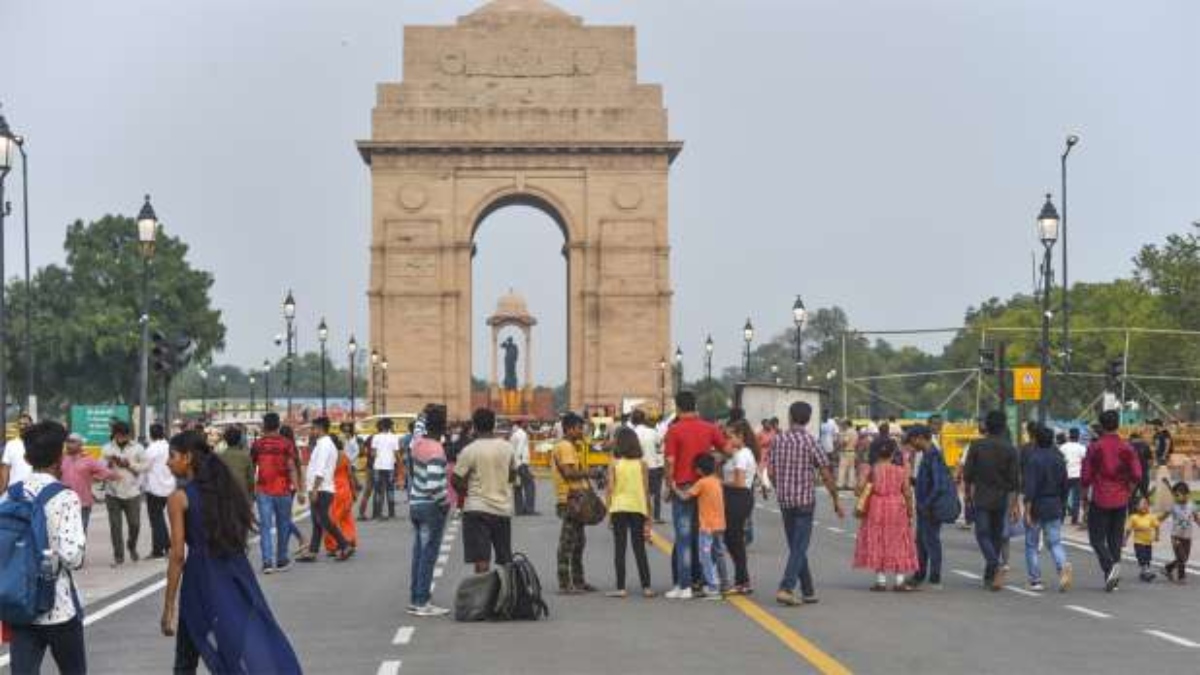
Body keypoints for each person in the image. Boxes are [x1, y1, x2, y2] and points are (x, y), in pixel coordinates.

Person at [160, 430, 301, 674]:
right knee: (244, 640)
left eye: (172, 456)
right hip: (236, 574)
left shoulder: (179, 498)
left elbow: (177, 555)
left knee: (186, 659)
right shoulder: (225, 491)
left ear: (188, 458)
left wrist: (169, 606)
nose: (167, 462)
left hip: (200, 580)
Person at [5, 421, 87, 675]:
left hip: (19, 602)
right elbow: (73, 557)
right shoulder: (65, 497)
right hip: (57, 606)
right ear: (59, 458)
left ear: (28, 458)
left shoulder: (12, 494)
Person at [768, 401, 844, 606]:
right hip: (804, 501)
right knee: (799, 546)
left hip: (785, 501)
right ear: (809, 420)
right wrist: (836, 499)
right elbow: (826, 473)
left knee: (796, 546)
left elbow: (771, 472)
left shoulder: (778, 440)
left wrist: (780, 487)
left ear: (790, 417)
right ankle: (786, 587)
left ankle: (808, 590)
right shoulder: (811, 442)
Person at [663, 391, 727, 600]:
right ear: (695, 405)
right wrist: (714, 463)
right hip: (705, 488)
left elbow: (670, 461)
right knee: (702, 538)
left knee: (683, 539)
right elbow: (727, 449)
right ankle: (702, 580)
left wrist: (668, 486)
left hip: (683, 487)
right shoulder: (710, 428)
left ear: (679, 408)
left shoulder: (674, 430)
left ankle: (685, 584)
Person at [1081, 410, 1142, 592]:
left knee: (1096, 538)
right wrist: (1128, 491)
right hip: (1121, 497)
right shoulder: (1127, 447)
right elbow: (1137, 474)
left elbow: (1086, 476)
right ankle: (1112, 578)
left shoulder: (1095, 447)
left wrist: (1084, 494)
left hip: (1101, 496)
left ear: (1101, 425)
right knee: (1115, 539)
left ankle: (1109, 567)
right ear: (1118, 424)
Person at [452, 408, 517, 573]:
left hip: (477, 509)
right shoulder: (507, 447)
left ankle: (483, 596)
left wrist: (468, 493)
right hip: (502, 509)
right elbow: (513, 475)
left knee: (481, 560)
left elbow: (455, 479)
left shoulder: (470, 450)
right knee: (505, 558)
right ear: (494, 424)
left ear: (474, 426)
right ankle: (508, 594)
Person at [963, 410, 1019, 591]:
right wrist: (1013, 504)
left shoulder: (977, 445)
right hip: (1001, 497)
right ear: (1003, 426)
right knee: (996, 535)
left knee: (982, 533)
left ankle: (994, 564)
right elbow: (1014, 481)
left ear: (986, 425)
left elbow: (968, 473)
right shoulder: (1010, 449)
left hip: (981, 495)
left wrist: (967, 492)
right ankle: (990, 574)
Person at [853, 436, 919, 591]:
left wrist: (863, 479)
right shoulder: (901, 470)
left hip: (876, 506)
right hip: (897, 505)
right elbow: (907, 492)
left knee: (879, 540)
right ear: (893, 452)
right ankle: (899, 580)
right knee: (900, 540)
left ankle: (881, 580)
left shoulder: (870, 468)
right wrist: (910, 511)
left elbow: (858, 490)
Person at [407, 407, 450, 616]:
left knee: (418, 553)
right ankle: (423, 601)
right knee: (428, 555)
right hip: (430, 506)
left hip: (415, 503)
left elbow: (417, 429)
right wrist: (445, 502)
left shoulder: (417, 445)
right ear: (443, 427)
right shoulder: (436, 450)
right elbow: (434, 485)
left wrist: (421, 415)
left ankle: (415, 598)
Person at [604, 427, 654, 598]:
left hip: (618, 507)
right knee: (639, 547)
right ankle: (646, 587)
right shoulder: (642, 464)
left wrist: (608, 512)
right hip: (638, 507)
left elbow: (610, 489)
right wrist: (649, 514)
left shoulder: (614, 464)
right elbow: (646, 490)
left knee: (620, 547)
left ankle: (621, 588)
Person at [250, 412, 302, 574]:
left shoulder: (257, 445)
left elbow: (252, 469)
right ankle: (281, 559)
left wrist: (251, 489)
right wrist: (298, 489)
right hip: (283, 489)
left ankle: (267, 562)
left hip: (263, 490)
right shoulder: (286, 444)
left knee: (265, 526)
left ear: (264, 426)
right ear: (278, 425)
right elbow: (292, 467)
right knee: (283, 524)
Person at [1022, 425, 1072, 593]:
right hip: (1055, 503)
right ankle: (1062, 566)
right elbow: (1065, 485)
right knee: (1055, 542)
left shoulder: (1033, 459)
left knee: (1031, 544)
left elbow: (1030, 488)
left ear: (1035, 439)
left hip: (1037, 504)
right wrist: (1063, 504)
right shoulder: (1059, 458)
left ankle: (1035, 580)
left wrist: (1027, 510)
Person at [297, 417, 353, 562]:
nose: (311, 431)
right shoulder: (324, 444)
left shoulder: (324, 445)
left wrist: (315, 489)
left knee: (324, 520)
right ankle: (313, 551)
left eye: (313, 428)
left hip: (321, 488)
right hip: (321, 487)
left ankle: (344, 544)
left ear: (320, 428)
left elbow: (320, 469)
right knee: (317, 521)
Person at [675, 453, 728, 599]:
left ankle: (712, 587)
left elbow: (685, 497)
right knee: (719, 554)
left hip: (707, 527)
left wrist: (674, 488)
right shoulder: (717, 481)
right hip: (720, 524)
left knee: (705, 557)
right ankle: (724, 583)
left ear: (699, 470)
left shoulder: (702, 483)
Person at [552, 412, 594, 593]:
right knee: (568, 543)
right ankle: (565, 583)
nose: (581, 431)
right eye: (579, 428)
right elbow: (569, 473)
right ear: (569, 429)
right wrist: (589, 473)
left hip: (574, 497)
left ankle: (578, 581)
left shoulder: (568, 446)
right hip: (570, 498)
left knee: (578, 542)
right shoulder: (566, 447)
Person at [101, 420, 149, 567]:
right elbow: (100, 468)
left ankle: (132, 545)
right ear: (114, 434)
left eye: (125, 435)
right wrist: (109, 464)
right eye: (119, 435)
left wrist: (129, 465)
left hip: (132, 491)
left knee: (134, 524)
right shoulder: (107, 448)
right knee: (115, 526)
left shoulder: (138, 448)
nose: (122, 438)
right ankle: (119, 555)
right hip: (112, 492)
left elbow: (146, 466)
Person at [721, 419, 757, 595]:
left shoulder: (742, 455)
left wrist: (719, 482)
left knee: (734, 540)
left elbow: (739, 482)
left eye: (731, 436)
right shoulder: (739, 453)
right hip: (736, 497)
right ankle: (743, 579)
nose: (728, 440)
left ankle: (742, 580)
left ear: (741, 436)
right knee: (731, 539)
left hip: (738, 497)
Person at [911, 425, 949, 589]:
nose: (912, 445)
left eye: (913, 440)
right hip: (925, 505)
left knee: (931, 540)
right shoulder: (927, 454)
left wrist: (926, 504)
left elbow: (938, 485)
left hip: (930, 506)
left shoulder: (933, 455)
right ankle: (920, 573)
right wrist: (913, 481)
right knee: (921, 541)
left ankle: (934, 576)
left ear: (920, 438)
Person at [60, 432, 115, 533]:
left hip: (83, 503)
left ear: (80, 444)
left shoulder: (88, 460)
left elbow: (107, 473)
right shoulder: (61, 459)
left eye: (72, 442)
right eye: (67, 441)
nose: (68, 444)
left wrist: (94, 478)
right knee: (65, 535)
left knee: (80, 534)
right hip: (64, 504)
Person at [143, 423, 177, 560]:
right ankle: (159, 548)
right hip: (170, 487)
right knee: (161, 519)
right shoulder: (170, 447)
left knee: (156, 520)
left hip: (154, 488)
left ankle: (164, 548)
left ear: (150, 434)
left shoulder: (151, 449)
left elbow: (144, 467)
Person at [323, 434, 359, 556]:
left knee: (331, 519)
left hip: (333, 490)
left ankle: (334, 545)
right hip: (346, 489)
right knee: (346, 517)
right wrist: (354, 491)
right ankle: (350, 539)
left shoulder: (327, 457)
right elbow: (350, 475)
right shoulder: (344, 456)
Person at [632, 410, 664, 524]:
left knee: (640, 492)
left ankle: (641, 515)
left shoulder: (632, 433)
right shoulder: (653, 432)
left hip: (638, 467)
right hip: (653, 466)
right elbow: (659, 446)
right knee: (654, 493)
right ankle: (655, 516)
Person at [1162, 481, 1197, 583]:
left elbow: (1196, 518)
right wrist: (1154, 522)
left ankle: (1168, 568)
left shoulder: (1192, 505)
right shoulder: (1173, 506)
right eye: (1175, 495)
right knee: (1181, 557)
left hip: (1187, 537)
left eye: (1179, 494)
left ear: (1187, 494)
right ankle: (1181, 577)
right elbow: (1163, 517)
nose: (1177, 497)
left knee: (1184, 558)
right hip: (1176, 536)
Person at [370, 418, 401, 520]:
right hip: (390, 467)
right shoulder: (394, 437)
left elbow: (373, 454)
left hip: (378, 467)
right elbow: (396, 454)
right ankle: (391, 513)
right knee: (390, 489)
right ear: (389, 426)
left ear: (381, 426)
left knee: (378, 490)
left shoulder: (375, 437)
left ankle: (377, 513)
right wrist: (400, 465)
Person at [1124, 498, 1160, 582]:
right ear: (1136, 507)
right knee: (1142, 557)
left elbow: (1157, 526)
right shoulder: (1133, 517)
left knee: (1148, 558)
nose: (1145, 506)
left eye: (1146, 504)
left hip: (1148, 542)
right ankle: (1146, 572)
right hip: (1138, 542)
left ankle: (1144, 573)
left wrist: (1157, 536)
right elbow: (1128, 530)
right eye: (1142, 504)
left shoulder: (1151, 517)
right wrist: (1124, 540)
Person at [1059, 428, 1087, 527]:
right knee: (1076, 498)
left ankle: (1061, 518)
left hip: (1065, 475)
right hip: (1077, 475)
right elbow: (1085, 460)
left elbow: (1060, 460)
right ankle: (1074, 520)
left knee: (1063, 498)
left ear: (1069, 435)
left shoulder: (1062, 447)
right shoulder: (1082, 448)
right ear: (1078, 436)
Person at [0, 412, 34, 492]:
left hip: (33, 490)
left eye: (25, 424)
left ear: (32, 426)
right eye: (20, 424)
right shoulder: (11, 444)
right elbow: (5, 469)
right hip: (14, 490)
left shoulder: (37, 443)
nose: (22, 427)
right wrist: (2, 490)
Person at [510, 420, 535, 516]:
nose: (527, 424)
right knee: (530, 485)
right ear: (521, 424)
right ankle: (529, 509)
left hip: (515, 463)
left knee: (518, 486)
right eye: (526, 423)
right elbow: (519, 449)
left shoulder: (514, 434)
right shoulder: (522, 434)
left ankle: (519, 509)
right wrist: (519, 464)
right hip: (521, 463)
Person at [836, 420, 858, 491]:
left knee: (842, 469)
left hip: (846, 451)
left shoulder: (848, 432)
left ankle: (840, 484)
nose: (843, 426)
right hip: (852, 451)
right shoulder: (855, 432)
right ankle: (851, 485)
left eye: (844, 424)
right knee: (851, 469)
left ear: (847, 424)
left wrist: (839, 445)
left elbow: (845, 441)